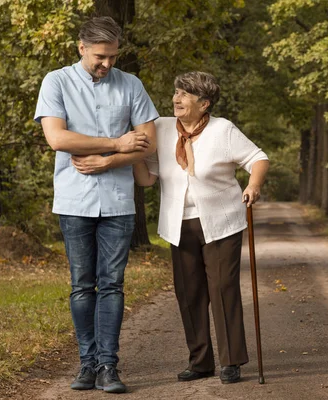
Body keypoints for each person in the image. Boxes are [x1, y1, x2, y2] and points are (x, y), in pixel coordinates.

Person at [34, 16, 159, 394]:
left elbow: (148, 143)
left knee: (112, 285)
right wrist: (118, 142)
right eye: (100, 57)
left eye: (113, 57)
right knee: (81, 285)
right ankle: (87, 364)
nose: (107, 64)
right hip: (74, 199)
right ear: (81, 48)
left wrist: (110, 157)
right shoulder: (56, 81)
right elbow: (57, 138)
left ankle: (108, 366)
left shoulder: (131, 84)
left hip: (119, 203)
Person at [133, 71, 269, 384]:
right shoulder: (161, 129)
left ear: (204, 103)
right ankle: (200, 362)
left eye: (184, 95)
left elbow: (257, 157)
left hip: (221, 222)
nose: (176, 99)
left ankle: (231, 360)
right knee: (189, 293)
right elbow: (147, 179)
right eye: (176, 92)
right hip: (178, 224)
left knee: (222, 289)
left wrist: (254, 184)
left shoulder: (223, 130)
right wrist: (134, 156)